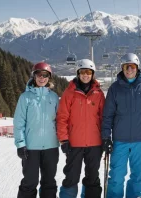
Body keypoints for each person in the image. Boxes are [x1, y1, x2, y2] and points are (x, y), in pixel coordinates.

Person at [101, 53, 141, 198]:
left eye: (132, 66)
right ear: (122, 68)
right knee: (116, 176)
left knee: (138, 176)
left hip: (140, 140)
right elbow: (107, 115)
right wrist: (106, 137)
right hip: (120, 140)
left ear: (137, 68)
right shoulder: (115, 88)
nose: (129, 70)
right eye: (126, 67)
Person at [57, 59, 105, 198]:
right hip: (74, 143)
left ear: (93, 74)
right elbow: (62, 118)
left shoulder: (98, 94)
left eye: (89, 72)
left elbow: (104, 118)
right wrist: (64, 140)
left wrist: (105, 138)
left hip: (94, 143)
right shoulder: (69, 93)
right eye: (82, 72)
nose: (85, 75)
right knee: (71, 177)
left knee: (93, 177)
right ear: (78, 73)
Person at [14, 62, 60, 198]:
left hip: (51, 147)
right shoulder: (25, 97)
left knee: (49, 182)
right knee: (30, 181)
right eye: (38, 75)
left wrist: (64, 139)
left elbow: (59, 121)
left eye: (45, 75)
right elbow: (19, 122)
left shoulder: (53, 97)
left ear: (49, 77)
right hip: (31, 147)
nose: (42, 78)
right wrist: (20, 144)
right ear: (34, 76)